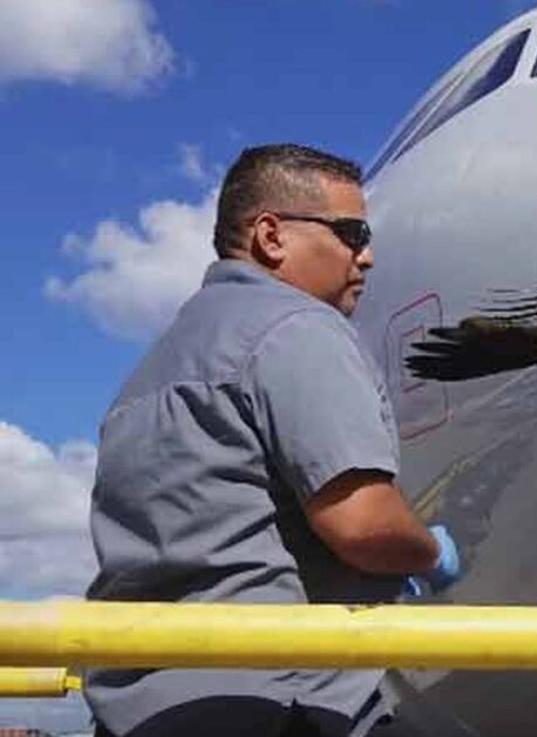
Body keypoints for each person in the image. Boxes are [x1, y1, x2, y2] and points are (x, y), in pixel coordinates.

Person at [85, 144, 460, 737]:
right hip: (279, 701)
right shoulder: (298, 327)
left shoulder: (152, 371)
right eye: (351, 232)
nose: (366, 257)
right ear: (271, 236)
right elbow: (363, 525)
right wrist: (429, 554)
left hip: (144, 710)